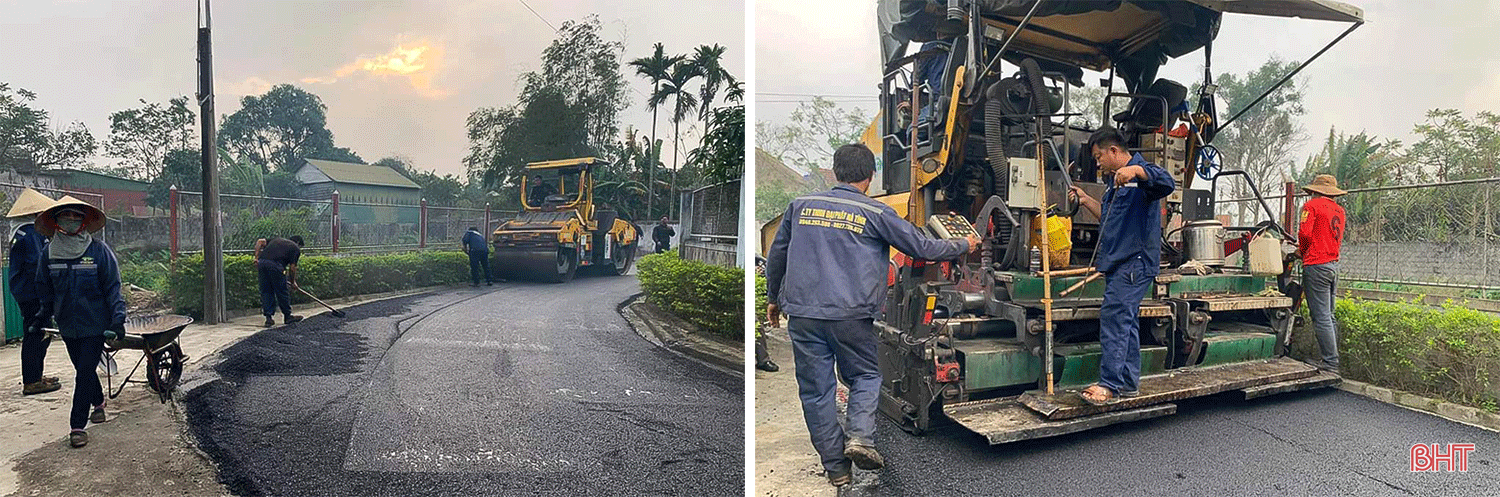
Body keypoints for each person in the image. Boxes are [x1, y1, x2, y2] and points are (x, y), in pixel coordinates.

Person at [765, 143, 978, 487]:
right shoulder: (876, 213)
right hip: (852, 315)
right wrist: (963, 245)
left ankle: (837, 470)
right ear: (870, 176)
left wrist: (773, 298)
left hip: (803, 315)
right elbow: (921, 247)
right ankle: (861, 438)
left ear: (835, 172)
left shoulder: (798, 207)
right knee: (865, 376)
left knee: (816, 392)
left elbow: (777, 256)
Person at [1068, 127, 1175, 405]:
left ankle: (1110, 385)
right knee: (1125, 323)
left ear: (1114, 151)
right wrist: (1085, 199)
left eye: (1099, 156)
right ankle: (1127, 384)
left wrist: (1138, 172)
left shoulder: (1141, 176)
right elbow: (1109, 217)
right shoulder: (1114, 183)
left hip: (1134, 263)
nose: (1097, 162)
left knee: (1115, 320)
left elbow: (1168, 183)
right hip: (1119, 263)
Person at [32, 199, 125, 448]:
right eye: (66, 216)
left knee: (83, 372)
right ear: (57, 222)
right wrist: (43, 315)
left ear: (83, 222)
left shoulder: (98, 251)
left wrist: (118, 320)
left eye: (75, 217)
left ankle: (77, 426)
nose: (70, 220)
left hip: (95, 323)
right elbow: (45, 288)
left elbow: (113, 288)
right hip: (67, 324)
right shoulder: (48, 254)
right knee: (82, 369)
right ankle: (99, 403)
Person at [9, 189, 61, 395]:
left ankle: (36, 375)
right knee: (36, 334)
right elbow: (36, 266)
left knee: (42, 334)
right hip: (33, 293)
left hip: (27, 291)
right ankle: (32, 380)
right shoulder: (30, 234)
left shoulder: (22, 232)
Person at [1295, 174, 1347, 373]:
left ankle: (1330, 362)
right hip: (1333, 265)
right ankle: (1333, 359)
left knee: (1321, 316)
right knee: (1330, 315)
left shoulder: (1311, 206)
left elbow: (1305, 234)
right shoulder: (1340, 211)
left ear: (1315, 191)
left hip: (1316, 264)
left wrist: (1302, 250)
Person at [254, 236, 305, 328]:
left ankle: (268, 318)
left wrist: (256, 258)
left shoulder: (276, 240)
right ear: (298, 243)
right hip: (276, 266)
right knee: (281, 291)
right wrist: (293, 282)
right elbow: (292, 268)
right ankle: (288, 316)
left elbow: (260, 242)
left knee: (266, 291)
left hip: (262, 263)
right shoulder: (295, 248)